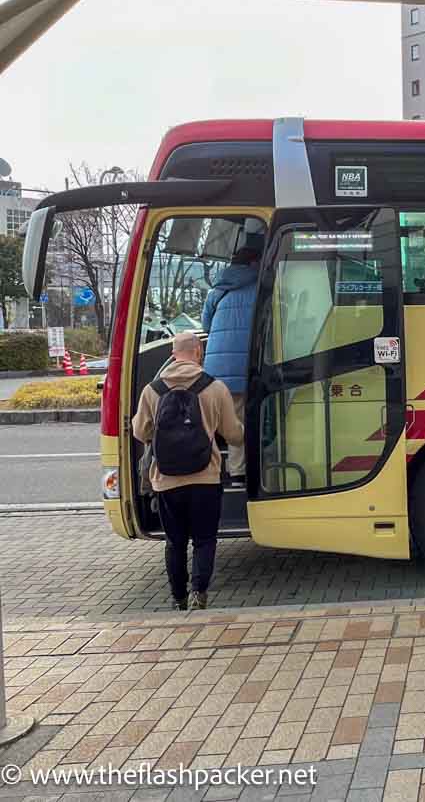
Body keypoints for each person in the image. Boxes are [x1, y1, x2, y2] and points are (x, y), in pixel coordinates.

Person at [132, 331, 243, 610]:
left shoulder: (152, 390)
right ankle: (199, 592)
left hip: (166, 481)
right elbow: (233, 434)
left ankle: (178, 597)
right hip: (205, 478)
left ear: (173, 354)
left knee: (175, 541)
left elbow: (139, 431)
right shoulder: (214, 387)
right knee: (205, 539)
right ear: (198, 353)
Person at [201, 246, 259, 487]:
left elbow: (206, 326)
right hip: (247, 367)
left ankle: (207, 469)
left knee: (214, 421)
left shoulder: (217, 290)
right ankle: (238, 472)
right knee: (242, 421)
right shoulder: (260, 288)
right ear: (254, 263)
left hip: (215, 370)